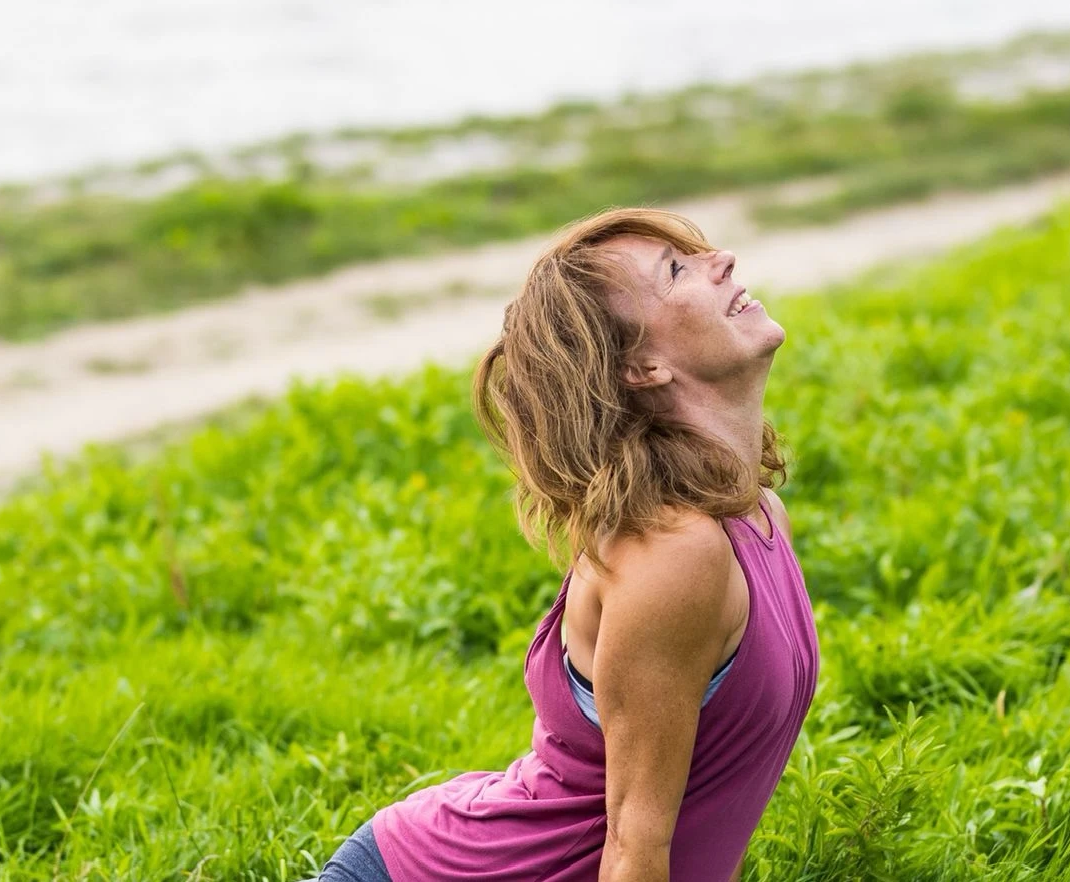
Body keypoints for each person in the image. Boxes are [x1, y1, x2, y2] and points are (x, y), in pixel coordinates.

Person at [308, 207, 821, 881]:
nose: (720, 258)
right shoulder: (675, 554)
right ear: (641, 367)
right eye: (676, 270)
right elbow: (634, 849)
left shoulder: (758, 517)